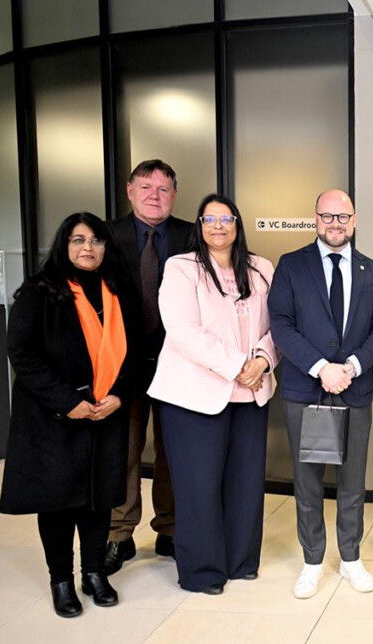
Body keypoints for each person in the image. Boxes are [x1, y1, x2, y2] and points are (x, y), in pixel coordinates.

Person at [0, 213, 134, 617]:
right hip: (53, 418)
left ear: (106, 246)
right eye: (78, 240)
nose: (87, 248)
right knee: (58, 503)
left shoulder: (118, 291)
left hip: (105, 412)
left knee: (97, 500)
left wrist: (120, 394)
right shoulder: (42, 291)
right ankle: (61, 580)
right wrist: (65, 400)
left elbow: (137, 352)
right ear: (64, 244)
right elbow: (22, 353)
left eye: (95, 240)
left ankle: (93, 573)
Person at [147, 193, 277, 594]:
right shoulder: (181, 268)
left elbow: (280, 324)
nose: (219, 226)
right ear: (199, 226)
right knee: (198, 486)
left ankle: (241, 561)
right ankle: (203, 571)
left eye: (227, 218)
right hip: (194, 395)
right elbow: (184, 331)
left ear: (238, 224)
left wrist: (262, 360)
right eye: (210, 219)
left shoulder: (260, 268)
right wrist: (240, 366)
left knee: (245, 483)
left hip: (251, 393)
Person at [268, 189, 373, 598]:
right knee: (308, 483)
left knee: (353, 482)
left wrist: (351, 367)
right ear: (315, 219)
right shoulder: (291, 266)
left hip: (354, 389)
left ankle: (351, 559)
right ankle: (313, 561)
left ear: (354, 220)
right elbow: (281, 324)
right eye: (327, 216)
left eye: (343, 217)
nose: (335, 224)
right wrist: (322, 369)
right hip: (308, 390)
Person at [104, 160, 193, 575]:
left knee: (173, 451)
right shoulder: (106, 237)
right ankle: (119, 535)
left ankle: (170, 529)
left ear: (174, 194)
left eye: (163, 188)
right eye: (146, 187)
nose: (154, 195)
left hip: (180, 363)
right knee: (125, 450)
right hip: (123, 366)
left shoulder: (190, 235)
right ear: (129, 190)